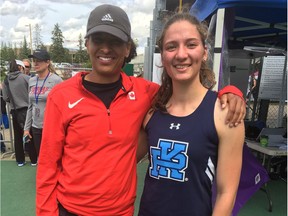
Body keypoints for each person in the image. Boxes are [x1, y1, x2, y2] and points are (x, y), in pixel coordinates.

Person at [36, 4, 245, 215]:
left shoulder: (147, 94)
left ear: (127, 48)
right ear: (87, 43)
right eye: (98, 40)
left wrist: (231, 91)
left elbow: (187, 92)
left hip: (121, 211)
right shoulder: (62, 96)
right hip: (71, 210)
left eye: (115, 41)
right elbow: (47, 166)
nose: (106, 49)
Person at [137, 12, 245, 216]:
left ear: (205, 52)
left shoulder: (224, 113)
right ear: (163, 56)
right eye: (171, 46)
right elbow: (125, 158)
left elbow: (227, 193)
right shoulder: (152, 110)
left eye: (191, 44)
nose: (181, 54)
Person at [23, 50, 62, 161]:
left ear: (47, 62)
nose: (35, 64)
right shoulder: (31, 81)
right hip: (36, 127)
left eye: (39, 61)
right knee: (42, 157)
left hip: (51, 127)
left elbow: (63, 106)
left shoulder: (56, 80)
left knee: (54, 158)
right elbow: (30, 106)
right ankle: (44, 178)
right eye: (34, 61)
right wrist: (26, 129)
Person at [2, 59, 38, 166]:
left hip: (15, 110)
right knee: (29, 134)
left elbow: (5, 97)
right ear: (20, 67)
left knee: (17, 136)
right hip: (27, 109)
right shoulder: (26, 78)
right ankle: (33, 159)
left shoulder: (6, 80)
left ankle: (20, 160)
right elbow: (32, 92)